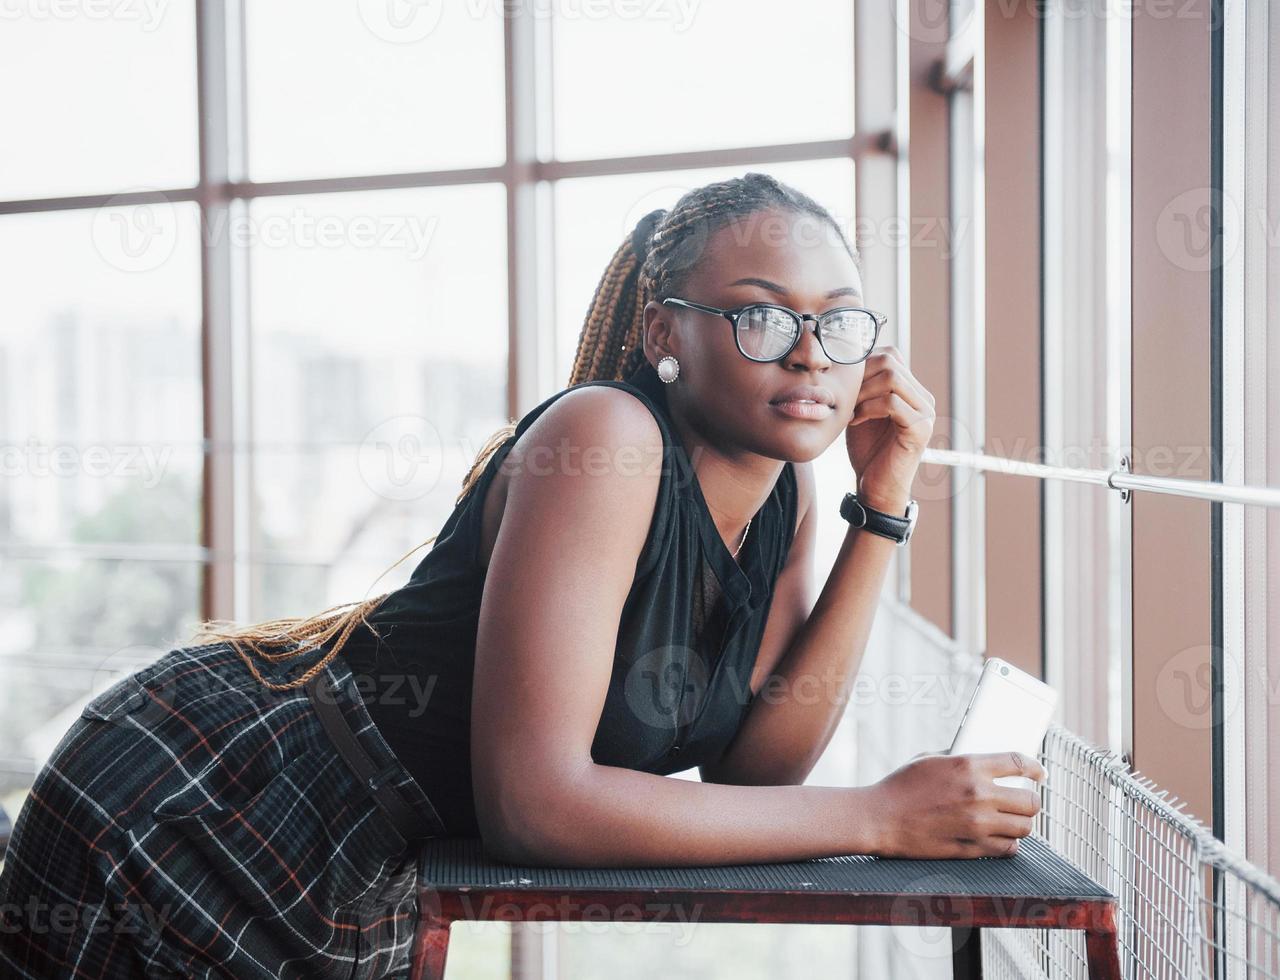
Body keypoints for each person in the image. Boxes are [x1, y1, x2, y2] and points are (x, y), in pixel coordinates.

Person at [0, 172, 1045, 978]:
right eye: (762, 315)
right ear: (663, 332)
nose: (811, 353)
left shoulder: (788, 495)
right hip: (213, 802)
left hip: (369, 856)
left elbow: (755, 775)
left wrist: (884, 500)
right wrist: (879, 814)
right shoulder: (605, 435)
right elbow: (535, 806)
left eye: (839, 319)